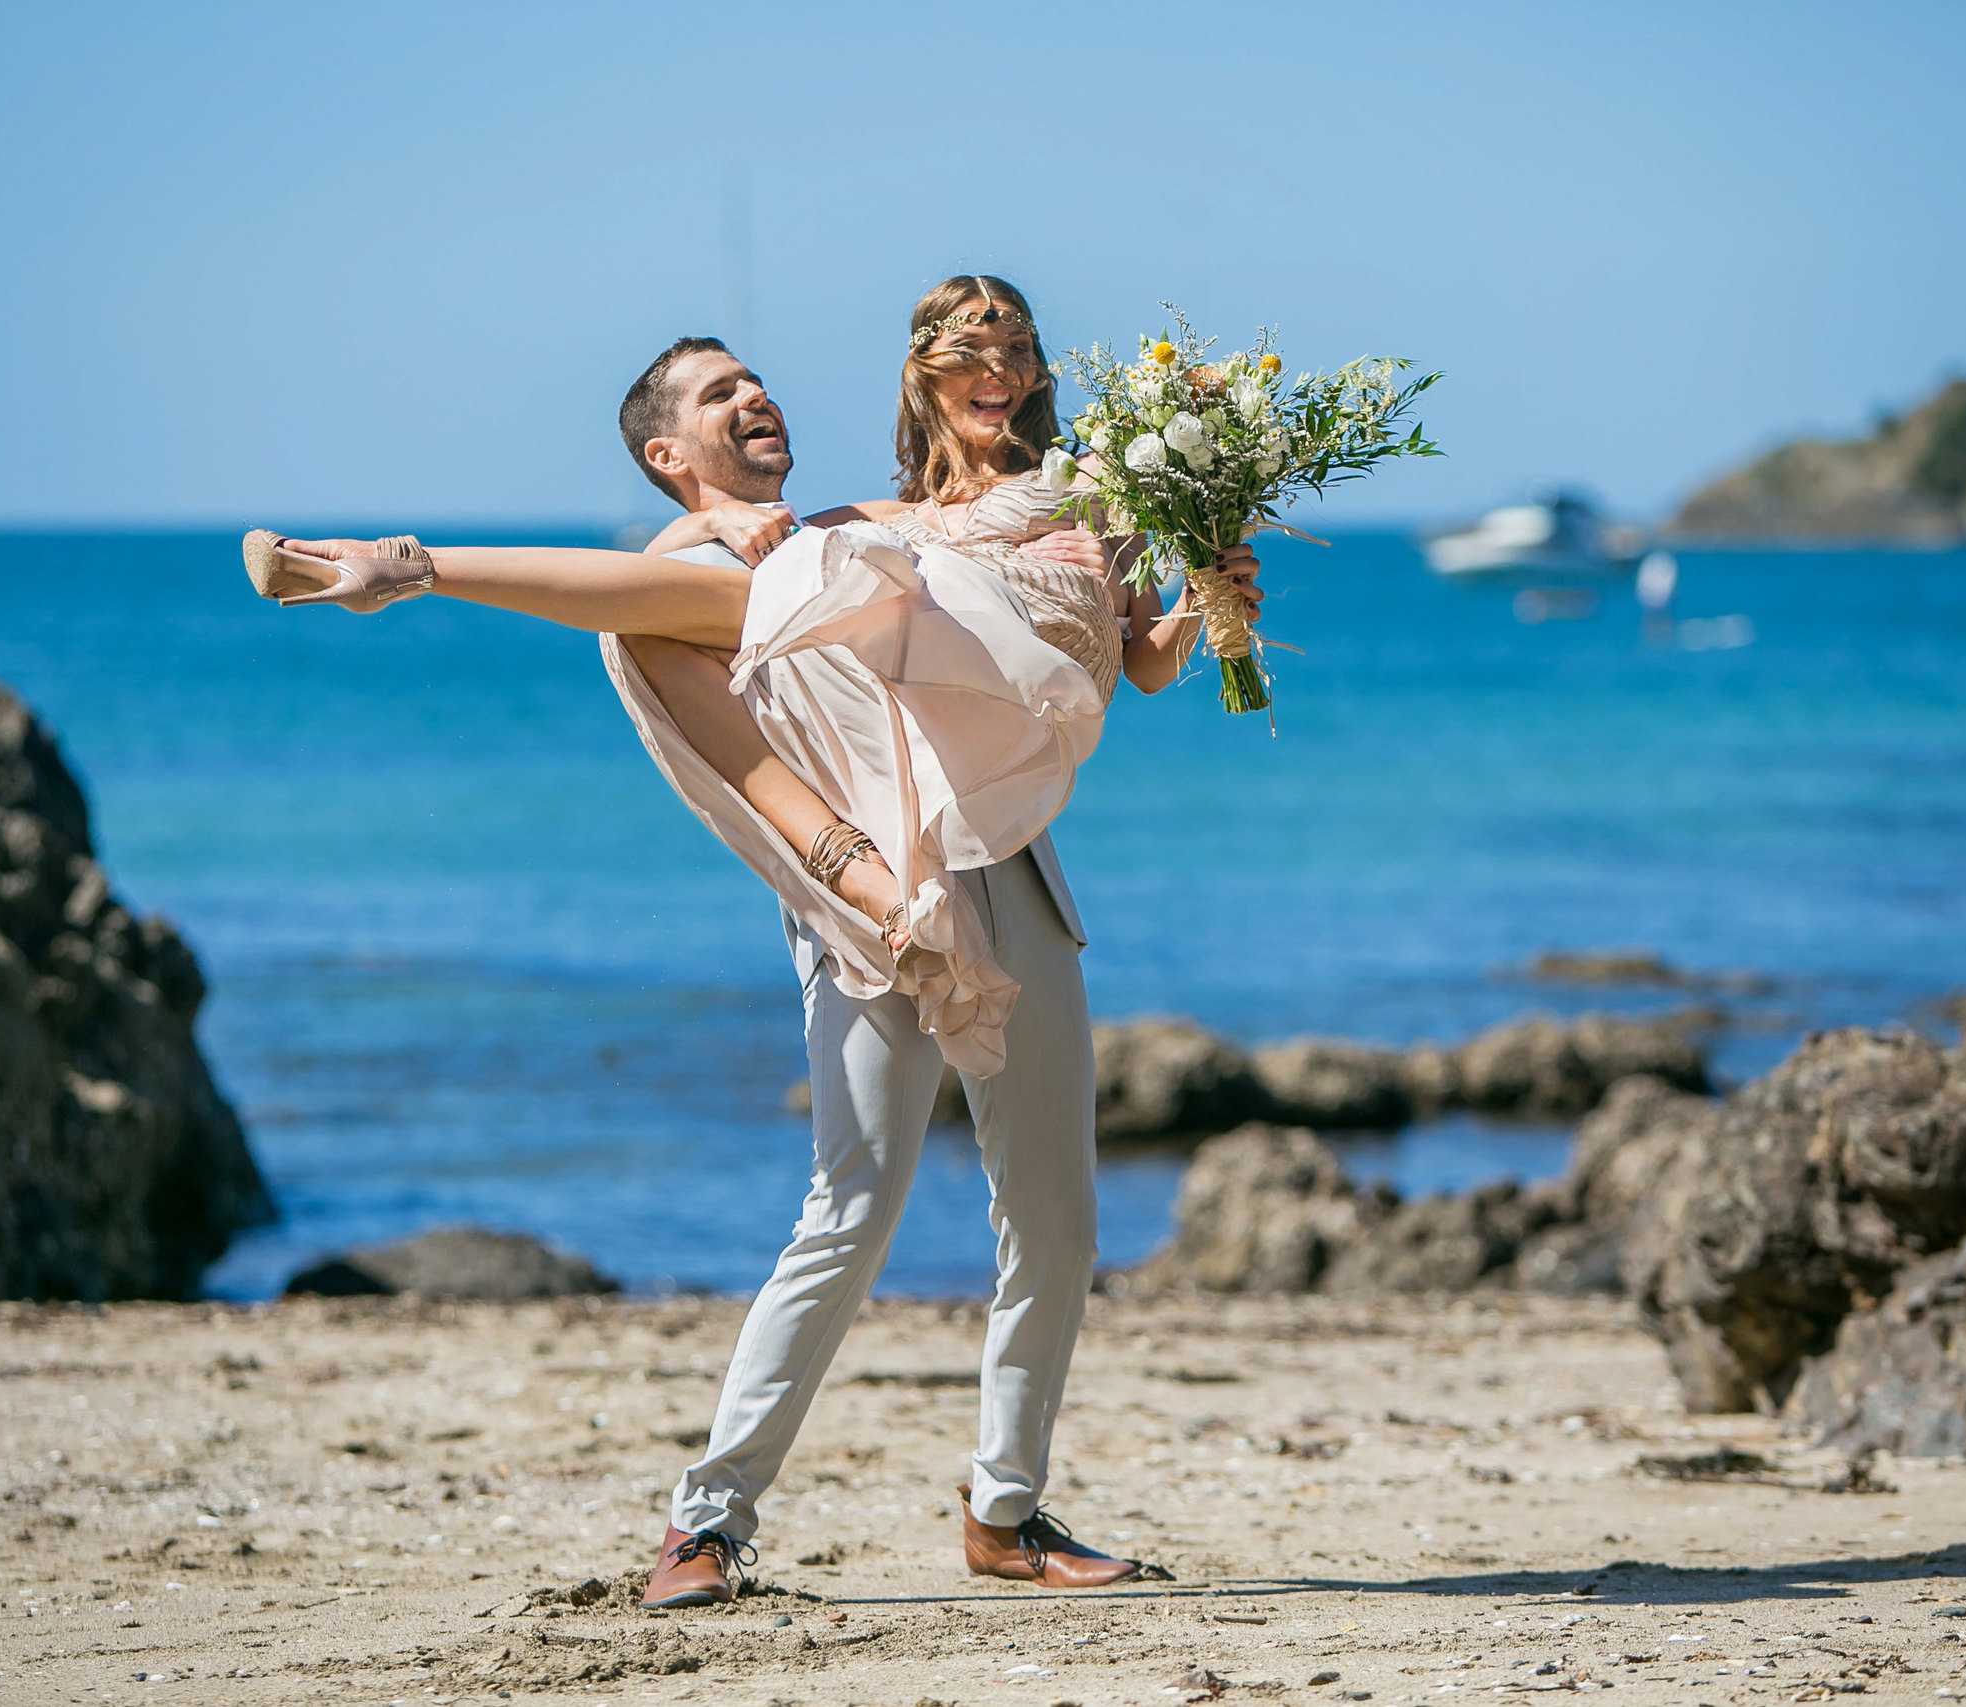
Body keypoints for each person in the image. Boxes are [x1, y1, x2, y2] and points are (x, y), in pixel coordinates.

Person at [244, 274, 1262, 1604]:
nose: (993, 370)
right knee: (850, 1206)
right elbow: (669, 614)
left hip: (1014, 873)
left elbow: (1139, 664)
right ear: (919, 377)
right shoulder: (835, 540)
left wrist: (1210, 590)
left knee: (1059, 1222)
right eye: (966, 350)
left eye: (1012, 347)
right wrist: (857, 870)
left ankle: (1007, 1515)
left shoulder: (1038, 505)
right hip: (861, 905)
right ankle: (707, 1524)